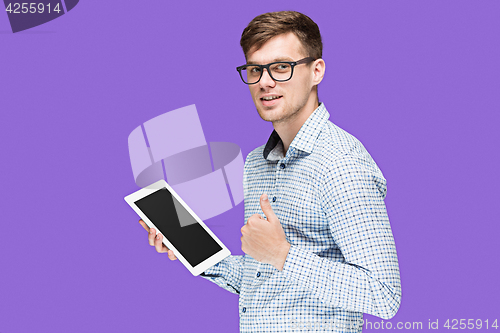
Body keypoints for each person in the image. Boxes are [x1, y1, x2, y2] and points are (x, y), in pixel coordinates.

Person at [139, 10, 401, 333]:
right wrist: (191, 249)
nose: (265, 82)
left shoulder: (341, 163)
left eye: (281, 67)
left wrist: (282, 254)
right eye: (255, 69)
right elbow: (262, 282)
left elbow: (383, 294)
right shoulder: (256, 164)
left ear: (316, 71)